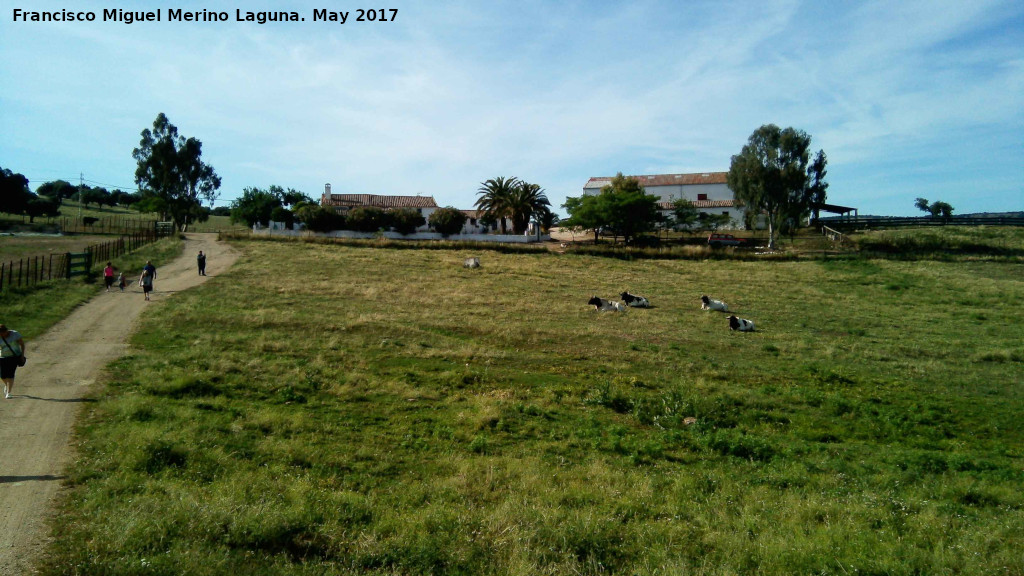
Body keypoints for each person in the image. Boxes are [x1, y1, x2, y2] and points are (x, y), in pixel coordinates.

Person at [0, 324, 26, 399]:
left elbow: (22, 344)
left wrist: (22, 355)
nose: (1, 335)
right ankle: (6, 385)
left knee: (10, 374)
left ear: (6, 331)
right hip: (2, 357)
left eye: (2, 333)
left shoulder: (15, 334)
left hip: (14, 357)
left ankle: (9, 392)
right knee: (2, 376)